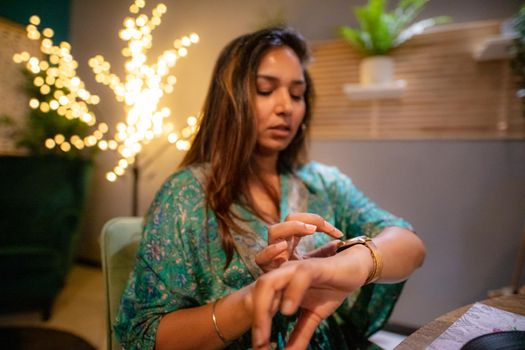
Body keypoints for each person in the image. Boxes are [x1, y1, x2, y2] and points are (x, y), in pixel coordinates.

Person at [114, 26, 426, 350]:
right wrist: (253, 300)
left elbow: (409, 244)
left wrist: (347, 265)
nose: (286, 107)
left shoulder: (323, 183)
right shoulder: (185, 195)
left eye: (296, 93)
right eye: (265, 89)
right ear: (230, 100)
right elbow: (143, 335)